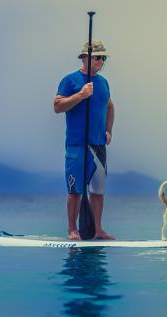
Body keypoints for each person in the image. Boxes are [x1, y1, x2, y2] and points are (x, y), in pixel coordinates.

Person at [54, 39, 115, 240]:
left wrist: (108, 130)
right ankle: (73, 229)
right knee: (75, 189)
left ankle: (98, 229)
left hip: (98, 144)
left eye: (103, 58)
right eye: (98, 57)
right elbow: (58, 106)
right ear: (86, 57)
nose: (101, 61)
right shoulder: (70, 80)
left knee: (97, 190)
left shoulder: (103, 82)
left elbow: (109, 107)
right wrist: (80, 95)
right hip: (77, 143)